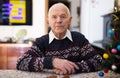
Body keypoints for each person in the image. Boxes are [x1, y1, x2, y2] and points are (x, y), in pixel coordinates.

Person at [16, 3, 103, 75]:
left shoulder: (79, 39)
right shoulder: (41, 42)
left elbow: (98, 61)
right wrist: (52, 62)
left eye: (63, 16)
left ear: (69, 20)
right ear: (48, 21)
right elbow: (21, 62)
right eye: (54, 17)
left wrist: (73, 67)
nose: (58, 20)